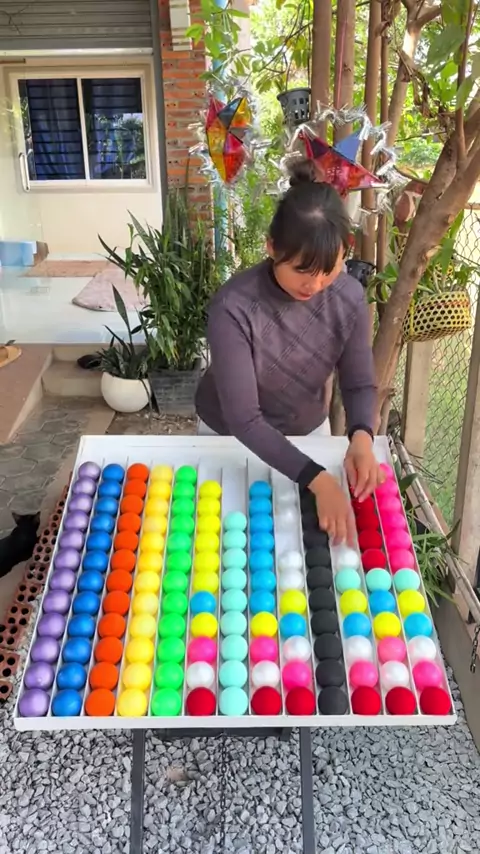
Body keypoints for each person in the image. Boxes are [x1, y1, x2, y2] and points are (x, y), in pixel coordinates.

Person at [195, 170, 382, 544]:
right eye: (302, 270)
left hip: (307, 432)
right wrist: (318, 479)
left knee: (304, 546)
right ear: (271, 247)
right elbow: (245, 420)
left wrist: (362, 436)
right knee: (228, 545)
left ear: (344, 252)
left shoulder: (348, 297)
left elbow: (359, 382)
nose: (314, 285)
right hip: (228, 440)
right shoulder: (234, 306)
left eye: (328, 270)